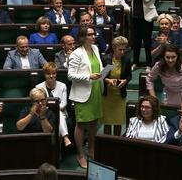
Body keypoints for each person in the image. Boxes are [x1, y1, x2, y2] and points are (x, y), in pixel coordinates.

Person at [67, 25, 104, 169]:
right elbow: (70, 75)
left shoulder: (95, 49)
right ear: (83, 37)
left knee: (95, 121)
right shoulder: (76, 53)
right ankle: (80, 154)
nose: (94, 36)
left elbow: (98, 68)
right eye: (90, 34)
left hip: (96, 90)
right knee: (81, 124)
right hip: (82, 93)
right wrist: (88, 76)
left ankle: (91, 149)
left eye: (94, 33)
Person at [127, 0, 159, 68]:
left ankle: (149, 64)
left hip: (146, 18)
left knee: (147, 42)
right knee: (136, 41)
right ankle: (135, 62)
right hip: (135, 17)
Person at [35, 62, 71, 145]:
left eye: (53, 73)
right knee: (56, 115)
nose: (51, 76)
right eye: (48, 74)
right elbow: (38, 104)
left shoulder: (62, 86)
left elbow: (64, 104)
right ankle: (65, 138)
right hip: (45, 113)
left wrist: (54, 109)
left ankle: (56, 151)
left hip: (61, 112)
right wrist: (49, 109)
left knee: (58, 114)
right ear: (44, 75)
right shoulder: (38, 87)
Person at [102, 36, 131, 136]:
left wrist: (125, 81)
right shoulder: (107, 59)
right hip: (108, 95)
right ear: (114, 48)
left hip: (120, 95)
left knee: (118, 122)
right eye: (120, 49)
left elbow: (129, 75)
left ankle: (116, 143)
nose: (122, 52)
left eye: (124, 49)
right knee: (107, 122)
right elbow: (101, 77)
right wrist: (109, 80)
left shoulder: (126, 59)